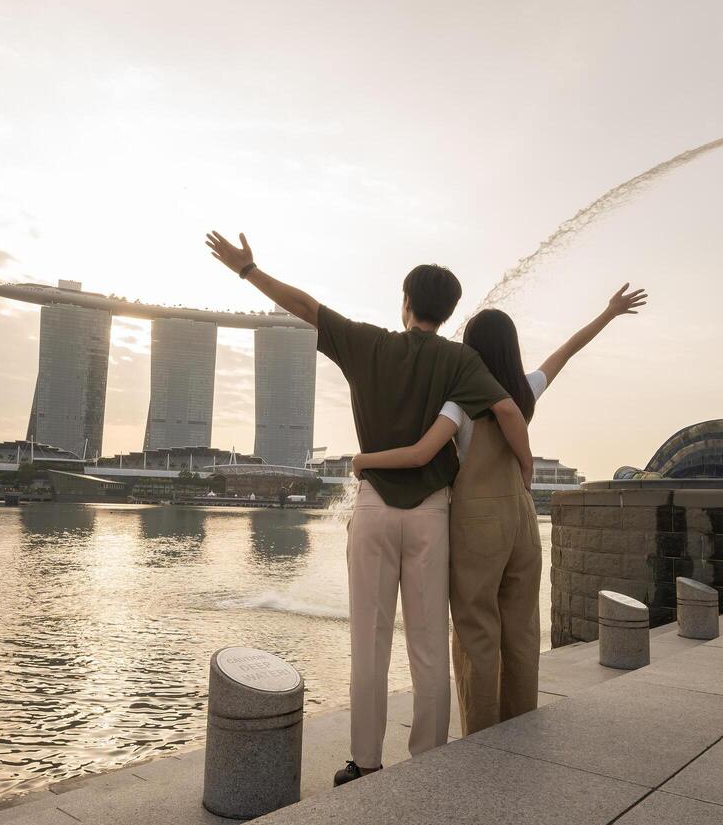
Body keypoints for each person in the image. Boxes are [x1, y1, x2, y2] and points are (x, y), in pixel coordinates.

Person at [204, 230, 535, 785]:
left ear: (405, 303)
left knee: (370, 641)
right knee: (429, 643)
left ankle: (365, 761)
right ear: (449, 312)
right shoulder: (461, 361)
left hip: (376, 507)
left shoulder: (369, 344)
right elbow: (508, 408)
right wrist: (524, 470)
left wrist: (248, 271)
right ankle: (428, 755)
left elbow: (305, 306)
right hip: (432, 515)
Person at [353, 283, 647, 735]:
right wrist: (608, 312)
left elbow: (421, 451)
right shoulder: (525, 389)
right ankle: (519, 723)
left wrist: (364, 460)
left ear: (471, 349)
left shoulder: (460, 400)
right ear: (511, 349)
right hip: (523, 521)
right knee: (522, 627)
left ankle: (482, 733)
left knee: (476, 629)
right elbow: (566, 351)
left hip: (477, 521)